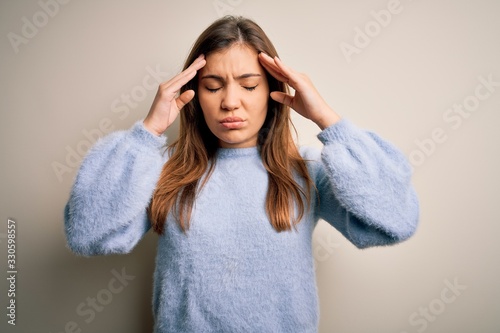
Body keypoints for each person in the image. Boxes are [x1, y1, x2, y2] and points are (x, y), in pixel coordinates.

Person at [64, 15, 419, 333]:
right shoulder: (163, 174)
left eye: (249, 86)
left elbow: (396, 220)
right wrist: (147, 132)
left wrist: (329, 120)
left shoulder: (308, 173)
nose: (230, 101)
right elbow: (88, 233)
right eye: (213, 86)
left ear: (273, 91)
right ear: (193, 94)